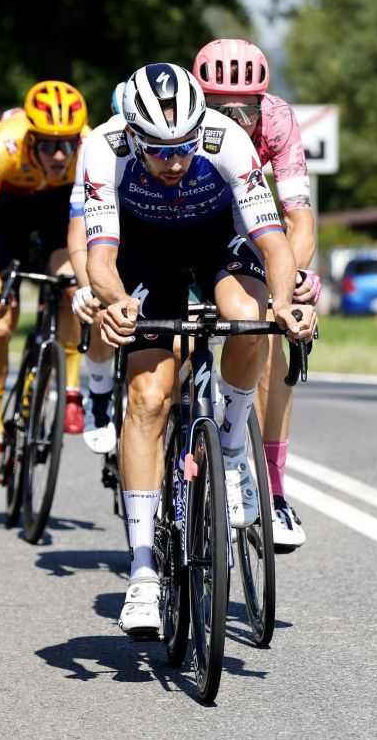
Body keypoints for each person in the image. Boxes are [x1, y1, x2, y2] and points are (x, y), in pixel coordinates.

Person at [83, 64, 315, 636]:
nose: (174, 162)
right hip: (144, 249)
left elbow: (273, 242)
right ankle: (142, 573)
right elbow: (101, 257)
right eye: (160, 151)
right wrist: (116, 303)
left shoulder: (226, 138)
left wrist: (285, 304)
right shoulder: (105, 148)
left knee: (248, 318)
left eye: (184, 148)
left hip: (216, 239)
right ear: (133, 135)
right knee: (148, 397)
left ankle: (232, 447)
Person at [193, 39, 320, 551]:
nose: (235, 121)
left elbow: (298, 221)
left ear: (261, 105)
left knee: (270, 333)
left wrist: (288, 283)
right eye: (220, 111)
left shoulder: (278, 120)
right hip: (190, 216)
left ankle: (273, 490)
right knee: (173, 347)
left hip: (250, 219)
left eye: (245, 111)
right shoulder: (182, 122)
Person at [0, 80, 91, 490]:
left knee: (72, 287)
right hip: (9, 212)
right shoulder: (2, 146)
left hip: (60, 210)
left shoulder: (89, 149)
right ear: (30, 139)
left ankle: (71, 390)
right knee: (1, 323)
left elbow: (91, 227)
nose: (60, 155)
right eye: (50, 146)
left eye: (68, 144)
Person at [67, 82, 126, 454]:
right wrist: (85, 285)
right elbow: (79, 228)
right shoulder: (97, 146)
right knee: (101, 309)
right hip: (108, 237)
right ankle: (100, 394)